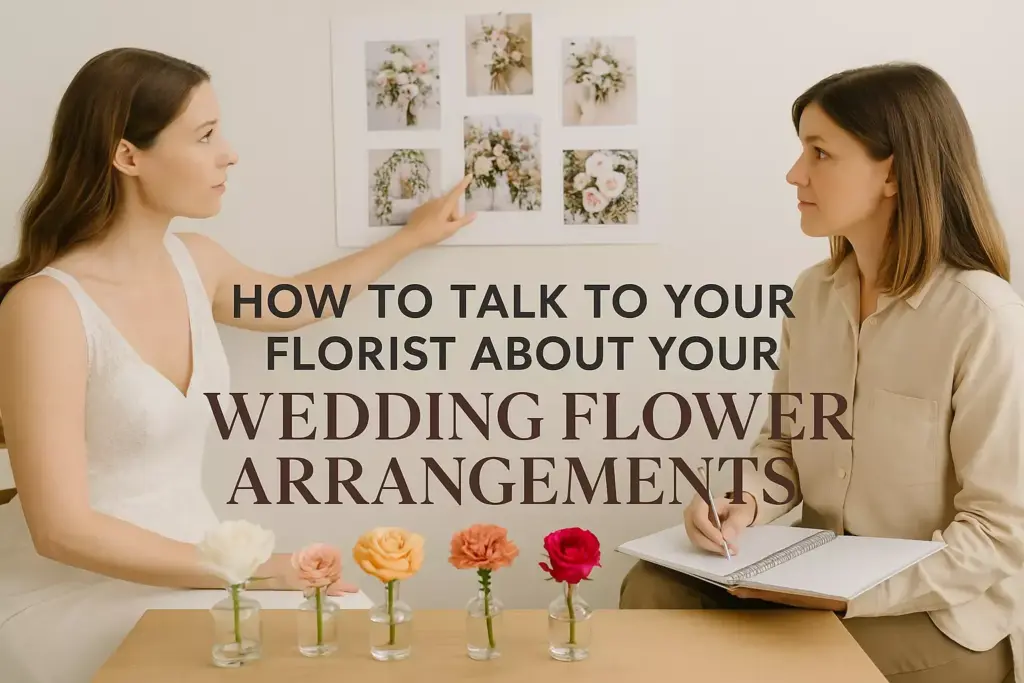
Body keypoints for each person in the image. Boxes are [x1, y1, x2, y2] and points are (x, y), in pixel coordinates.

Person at [0, 47, 476, 682]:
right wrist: (255, 567)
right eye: (204, 136)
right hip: (78, 593)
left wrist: (409, 238)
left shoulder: (197, 261)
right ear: (128, 156)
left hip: (201, 573)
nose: (229, 152)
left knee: (356, 626)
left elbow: (299, 303)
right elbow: (61, 531)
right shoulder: (46, 307)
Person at [619, 62, 1023, 683]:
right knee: (649, 590)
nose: (794, 174)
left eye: (819, 152)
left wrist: (842, 594)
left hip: (937, 613)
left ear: (892, 171)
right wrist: (744, 502)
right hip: (812, 583)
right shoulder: (814, 296)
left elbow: (998, 534)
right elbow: (783, 446)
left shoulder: (983, 317)